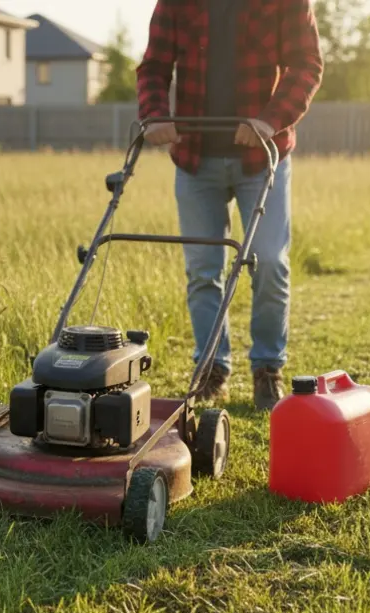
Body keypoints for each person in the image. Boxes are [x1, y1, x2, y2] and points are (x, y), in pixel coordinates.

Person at [136, 0, 324, 410]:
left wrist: (270, 120)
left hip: (262, 156)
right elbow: (153, 66)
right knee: (204, 270)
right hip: (195, 157)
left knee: (270, 260)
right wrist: (154, 115)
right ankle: (212, 369)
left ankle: (267, 367)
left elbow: (306, 65)